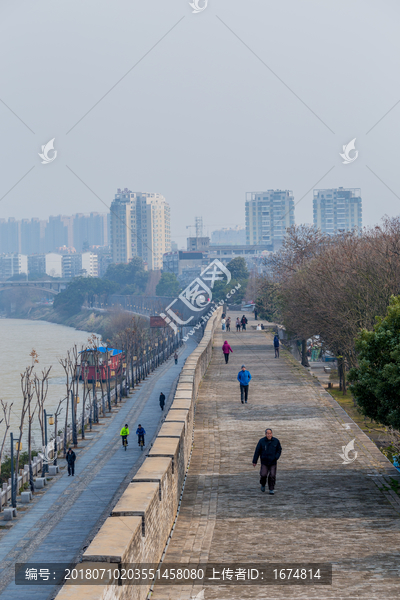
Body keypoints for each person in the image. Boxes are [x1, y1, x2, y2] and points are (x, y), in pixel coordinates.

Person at [252, 428, 282, 494]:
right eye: (268, 433)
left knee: (272, 475)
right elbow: (257, 451)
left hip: (273, 461)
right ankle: (263, 484)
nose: (269, 435)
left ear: (272, 434)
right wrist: (254, 461)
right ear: (265, 434)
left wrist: (276, 457)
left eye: (270, 433)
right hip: (264, 461)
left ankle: (271, 489)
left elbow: (279, 450)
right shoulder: (261, 441)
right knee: (263, 475)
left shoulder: (276, 441)